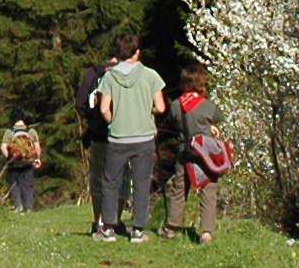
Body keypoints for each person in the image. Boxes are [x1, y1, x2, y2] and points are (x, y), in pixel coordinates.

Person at [91, 34, 164, 241]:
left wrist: (113, 121)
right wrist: (146, 111)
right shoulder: (150, 75)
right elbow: (160, 107)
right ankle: (138, 229)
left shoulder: (110, 77)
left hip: (118, 138)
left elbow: (104, 108)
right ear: (137, 52)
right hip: (144, 138)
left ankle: (108, 228)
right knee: (141, 182)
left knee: (111, 181)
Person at [165, 67, 226, 243]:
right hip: (205, 153)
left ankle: (171, 226)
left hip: (186, 151)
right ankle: (206, 232)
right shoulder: (207, 105)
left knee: (180, 189)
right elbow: (215, 118)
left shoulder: (176, 105)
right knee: (209, 190)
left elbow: (173, 121)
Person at [75, 56, 112, 232]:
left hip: (98, 133)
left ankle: (99, 220)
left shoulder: (94, 73)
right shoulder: (130, 72)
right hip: (122, 134)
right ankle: (115, 220)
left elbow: (80, 104)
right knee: (120, 178)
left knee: (97, 178)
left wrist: (93, 118)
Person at [0, 118, 43, 213]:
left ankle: (18, 206)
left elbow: (3, 148)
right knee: (27, 185)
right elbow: (37, 147)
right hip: (28, 163)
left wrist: (9, 159)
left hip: (14, 164)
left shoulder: (9, 132)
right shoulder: (31, 131)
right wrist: (37, 159)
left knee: (14, 184)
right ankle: (29, 208)